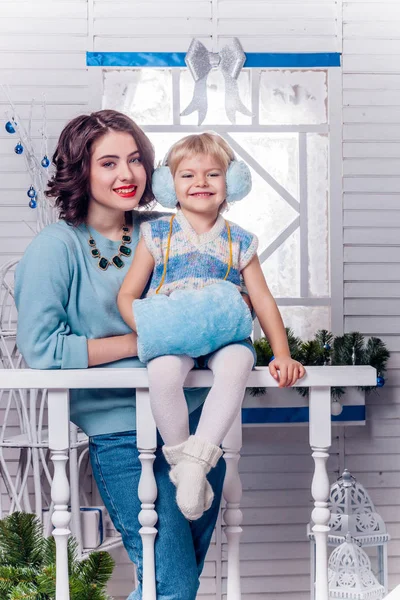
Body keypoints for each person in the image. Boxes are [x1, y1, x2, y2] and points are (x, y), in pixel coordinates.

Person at [14, 110, 225, 600]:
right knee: (170, 586)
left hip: (197, 432)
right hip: (123, 435)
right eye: (108, 162)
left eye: (135, 160)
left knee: (172, 585)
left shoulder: (167, 232)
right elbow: (42, 348)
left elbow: (217, 298)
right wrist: (145, 338)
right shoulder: (56, 247)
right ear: (80, 170)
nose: (126, 174)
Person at [117, 133, 306, 522]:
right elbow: (127, 295)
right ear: (169, 185)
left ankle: (194, 463)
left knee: (237, 364)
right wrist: (153, 327)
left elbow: (264, 300)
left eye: (213, 174)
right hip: (174, 332)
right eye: (187, 175)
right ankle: (184, 461)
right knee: (163, 371)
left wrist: (283, 354)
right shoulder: (156, 235)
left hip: (225, 335)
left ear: (231, 183)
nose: (200, 183)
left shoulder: (240, 241)